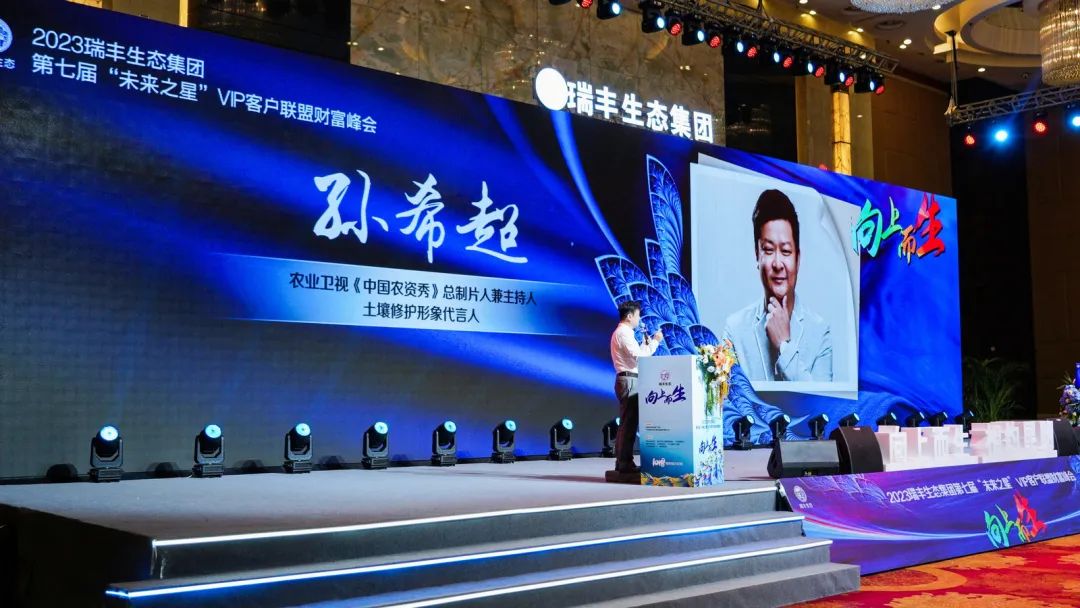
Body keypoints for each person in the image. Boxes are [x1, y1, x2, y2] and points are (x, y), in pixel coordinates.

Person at [723, 189, 832, 382]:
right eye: (768, 249)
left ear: (798, 259)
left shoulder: (820, 331)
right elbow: (729, 397)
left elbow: (821, 399)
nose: (777, 263)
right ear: (757, 255)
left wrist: (784, 346)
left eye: (786, 251)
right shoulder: (735, 329)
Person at [610, 300, 662, 474]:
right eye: (638, 316)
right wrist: (655, 342)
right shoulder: (624, 333)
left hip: (629, 379)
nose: (639, 319)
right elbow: (639, 357)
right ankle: (624, 463)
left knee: (629, 423)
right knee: (628, 424)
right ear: (629, 316)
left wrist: (646, 344)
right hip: (629, 380)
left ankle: (623, 462)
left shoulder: (624, 333)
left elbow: (636, 356)